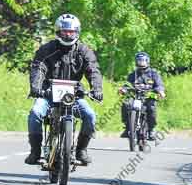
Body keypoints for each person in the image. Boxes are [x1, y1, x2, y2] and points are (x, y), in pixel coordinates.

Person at [24, 13, 103, 166]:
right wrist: (36, 87)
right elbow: (38, 68)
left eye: (71, 31)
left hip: (73, 95)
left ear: (77, 32)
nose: (68, 34)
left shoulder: (84, 51)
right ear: (58, 32)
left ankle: (81, 150)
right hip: (48, 94)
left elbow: (93, 70)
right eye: (65, 31)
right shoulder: (47, 49)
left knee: (90, 116)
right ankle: (35, 151)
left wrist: (97, 89)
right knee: (35, 113)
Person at [120, 52, 165, 140]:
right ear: (136, 61)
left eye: (143, 60)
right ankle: (127, 127)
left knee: (152, 108)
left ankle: (151, 130)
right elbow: (127, 84)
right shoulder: (133, 75)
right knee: (126, 104)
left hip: (148, 97)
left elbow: (159, 85)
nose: (141, 62)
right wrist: (123, 89)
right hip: (136, 97)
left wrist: (160, 91)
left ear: (147, 61)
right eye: (139, 60)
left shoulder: (154, 73)